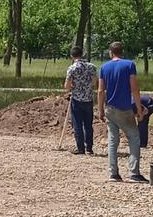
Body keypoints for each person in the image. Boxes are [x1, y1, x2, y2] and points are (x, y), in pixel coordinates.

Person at [98, 42, 147, 183]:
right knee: (134, 137)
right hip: (124, 109)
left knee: (113, 141)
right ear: (122, 52)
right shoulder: (129, 65)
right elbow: (134, 89)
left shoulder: (104, 67)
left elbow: (101, 91)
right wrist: (139, 109)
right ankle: (134, 173)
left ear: (110, 52)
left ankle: (113, 173)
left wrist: (100, 110)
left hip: (110, 108)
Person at [63, 46, 97, 155]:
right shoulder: (91, 67)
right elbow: (94, 82)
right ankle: (89, 147)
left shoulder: (72, 68)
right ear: (82, 54)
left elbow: (67, 86)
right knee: (88, 124)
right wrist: (87, 88)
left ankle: (80, 148)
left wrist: (74, 86)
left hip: (77, 99)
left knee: (77, 124)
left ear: (72, 56)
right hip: (88, 99)